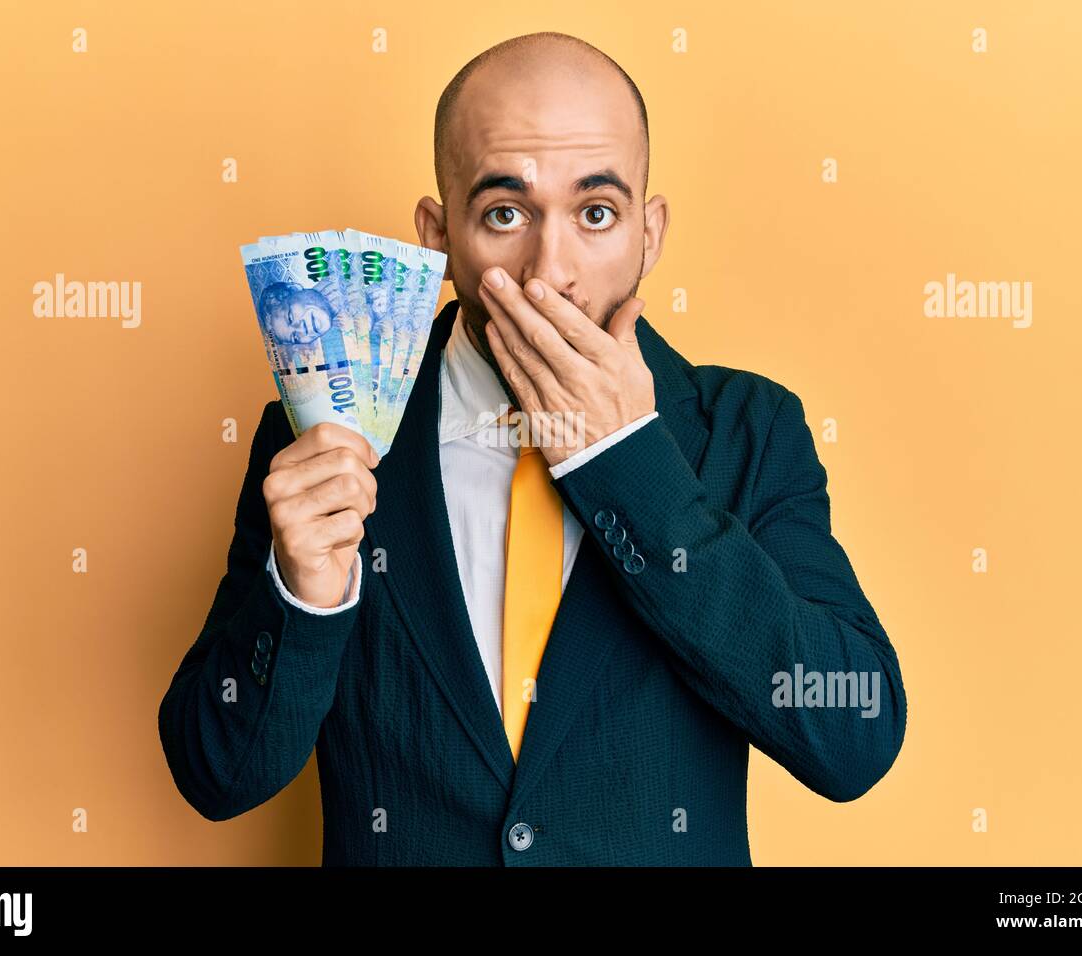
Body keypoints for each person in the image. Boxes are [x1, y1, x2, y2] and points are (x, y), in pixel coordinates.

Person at [158, 31, 908, 866]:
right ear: (438, 239)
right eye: (505, 213)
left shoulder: (748, 429)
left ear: (649, 234)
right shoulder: (322, 432)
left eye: (596, 213)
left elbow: (854, 736)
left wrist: (631, 465)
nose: (551, 271)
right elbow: (215, 776)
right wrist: (301, 600)